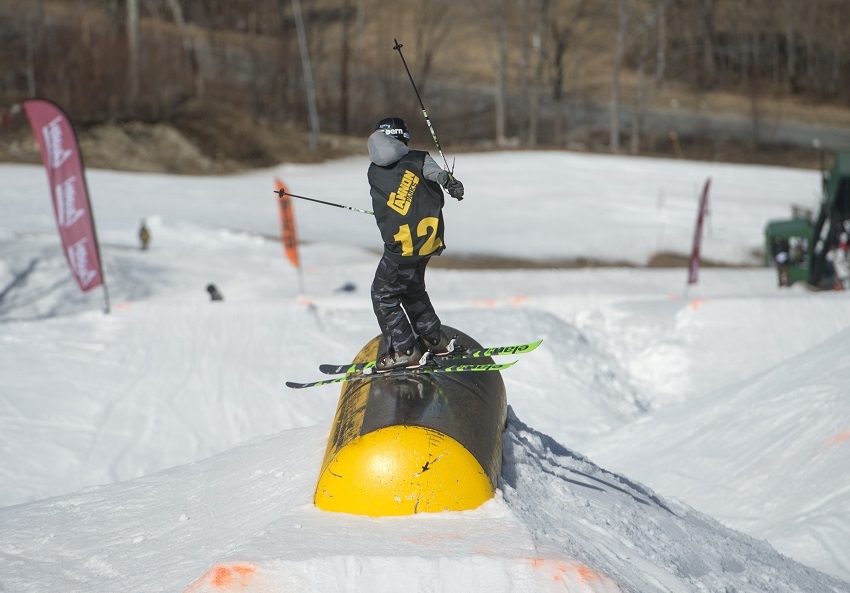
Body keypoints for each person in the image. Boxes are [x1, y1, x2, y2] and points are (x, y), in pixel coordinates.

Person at [367, 116, 465, 370]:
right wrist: (451, 183)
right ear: (403, 136)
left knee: (384, 295)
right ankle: (434, 339)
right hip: (426, 242)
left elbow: (390, 202)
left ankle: (405, 350)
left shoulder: (374, 170)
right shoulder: (419, 159)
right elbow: (439, 177)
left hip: (401, 248)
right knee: (411, 290)